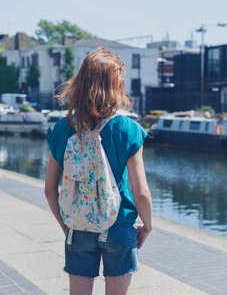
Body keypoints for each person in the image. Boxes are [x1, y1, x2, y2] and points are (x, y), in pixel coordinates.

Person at [44, 47, 152, 295]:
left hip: (78, 225)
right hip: (119, 223)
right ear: (116, 85)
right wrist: (147, 225)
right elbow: (141, 191)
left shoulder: (63, 128)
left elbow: (50, 189)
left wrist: (67, 225)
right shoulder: (127, 128)